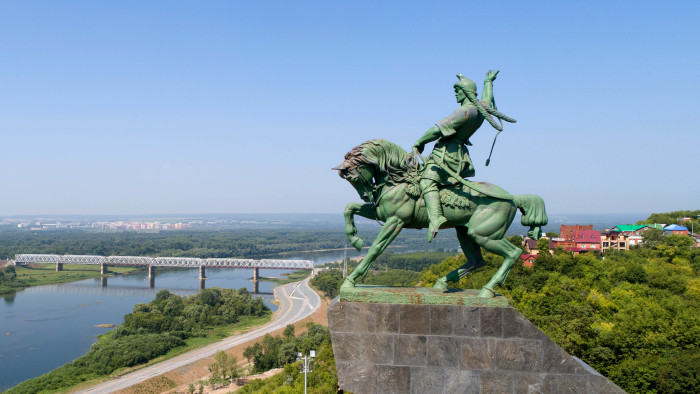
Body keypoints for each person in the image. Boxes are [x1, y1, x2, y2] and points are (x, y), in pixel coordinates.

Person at [412, 70, 515, 241]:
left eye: (458, 91)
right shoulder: (480, 109)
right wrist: (488, 82)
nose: (456, 94)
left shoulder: (464, 111)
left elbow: (437, 130)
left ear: (466, 91)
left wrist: (419, 142)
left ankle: (436, 217)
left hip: (447, 155)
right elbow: (487, 99)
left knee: (426, 180)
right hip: (461, 156)